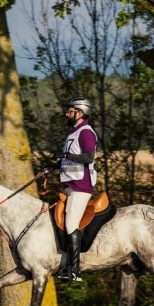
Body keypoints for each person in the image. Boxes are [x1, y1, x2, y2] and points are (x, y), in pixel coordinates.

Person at [53, 97, 97, 282]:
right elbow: (70, 159)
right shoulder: (73, 133)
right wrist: (55, 164)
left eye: (70, 111)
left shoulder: (86, 132)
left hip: (81, 186)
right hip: (70, 185)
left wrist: (66, 155)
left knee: (71, 224)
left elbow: (88, 157)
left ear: (80, 112)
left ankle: (75, 271)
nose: (67, 114)